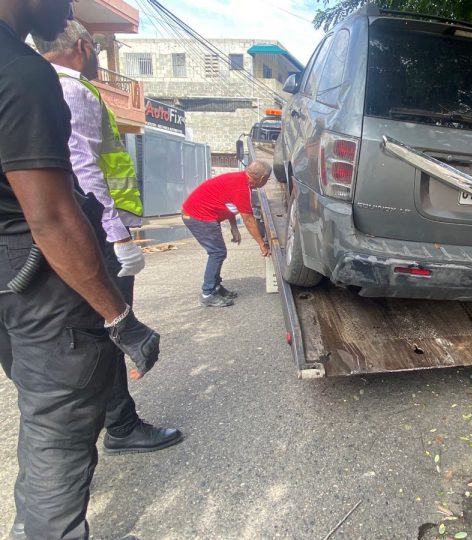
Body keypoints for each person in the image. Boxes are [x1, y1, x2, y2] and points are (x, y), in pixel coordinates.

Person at [0, 1, 161, 538]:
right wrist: (119, 314)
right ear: (85, 48)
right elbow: (54, 211)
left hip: (12, 276)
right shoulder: (29, 76)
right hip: (43, 274)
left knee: (41, 392)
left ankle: (120, 424)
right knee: (56, 419)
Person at [34, 21, 182, 455]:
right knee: (113, 325)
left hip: (59, 230)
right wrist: (117, 236)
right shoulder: (73, 89)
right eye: (97, 48)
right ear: (83, 46)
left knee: (80, 332)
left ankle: (105, 426)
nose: (99, 56)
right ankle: (119, 426)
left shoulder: (34, 84)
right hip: (91, 231)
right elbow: (84, 168)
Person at [182, 162, 271, 307]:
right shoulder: (242, 187)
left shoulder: (240, 179)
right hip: (198, 216)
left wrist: (234, 227)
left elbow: (229, 203)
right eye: (267, 180)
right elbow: (248, 219)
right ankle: (207, 294)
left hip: (199, 213)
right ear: (262, 178)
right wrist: (262, 245)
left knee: (218, 252)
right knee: (217, 252)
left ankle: (216, 288)